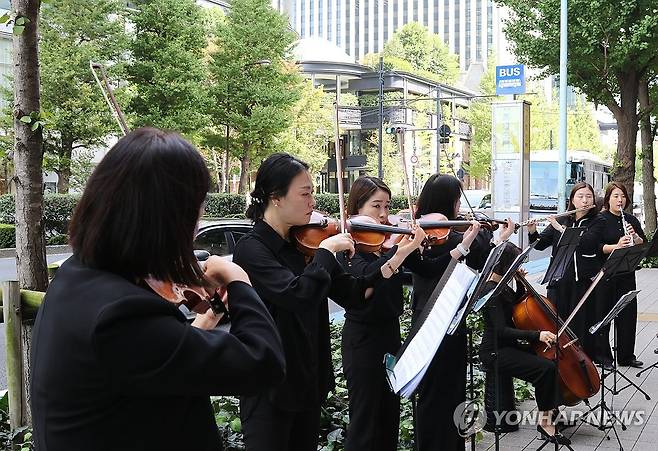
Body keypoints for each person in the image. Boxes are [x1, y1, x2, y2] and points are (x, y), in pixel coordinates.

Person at [30, 128, 286, 451]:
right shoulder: (120, 317)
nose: (197, 222)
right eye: (195, 211)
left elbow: (154, 366)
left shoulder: (76, 278)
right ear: (163, 220)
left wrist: (202, 324)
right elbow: (263, 363)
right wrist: (238, 280)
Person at [232, 153, 373, 451]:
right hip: (270, 389)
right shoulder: (252, 250)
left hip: (307, 384)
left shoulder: (305, 246)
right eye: (305, 193)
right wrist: (325, 252)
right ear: (276, 198)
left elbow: (354, 296)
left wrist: (390, 260)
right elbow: (297, 295)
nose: (313, 202)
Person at [338, 176, 478, 451]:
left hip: (389, 335)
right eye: (375, 206)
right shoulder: (349, 248)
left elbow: (426, 268)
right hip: (363, 341)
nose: (383, 215)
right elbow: (363, 282)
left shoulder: (388, 244)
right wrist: (400, 251)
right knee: (365, 422)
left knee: (388, 418)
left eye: (387, 206)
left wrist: (461, 245)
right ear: (355, 208)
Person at [410, 174, 515, 451]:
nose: (459, 207)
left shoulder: (445, 233)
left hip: (448, 319)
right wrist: (486, 235)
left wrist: (496, 237)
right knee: (437, 393)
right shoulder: (433, 236)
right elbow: (474, 253)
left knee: (450, 391)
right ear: (448, 202)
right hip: (434, 321)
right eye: (457, 200)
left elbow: (481, 258)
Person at [479, 243, 570, 445]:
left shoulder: (502, 285)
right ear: (505, 264)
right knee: (545, 368)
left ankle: (552, 411)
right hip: (495, 350)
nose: (518, 266)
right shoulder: (489, 290)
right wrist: (537, 335)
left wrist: (520, 281)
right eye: (515, 263)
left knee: (548, 359)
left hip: (507, 345)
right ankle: (546, 424)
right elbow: (501, 330)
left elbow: (517, 303)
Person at [527, 182, 600, 358]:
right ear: (572, 200)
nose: (584, 201)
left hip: (581, 281)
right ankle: (558, 361)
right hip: (558, 280)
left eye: (588, 196)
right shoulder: (562, 219)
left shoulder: (598, 221)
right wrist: (532, 231)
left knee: (578, 325)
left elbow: (588, 242)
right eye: (580, 196)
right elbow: (540, 244)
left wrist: (560, 228)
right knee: (556, 323)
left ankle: (580, 363)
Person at [582, 182, 646, 368]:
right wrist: (616, 247)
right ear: (608, 199)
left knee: (627, 315)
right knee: (604, 314)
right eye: (616, 196)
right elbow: (596, 247)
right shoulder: (600, 220)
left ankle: (627, 356)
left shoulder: (631, 220)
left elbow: (642, 243)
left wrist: (635, 238)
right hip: (605, 274)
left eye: (623, 196)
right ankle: (603, 357)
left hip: (626, 273)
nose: (620, 200)